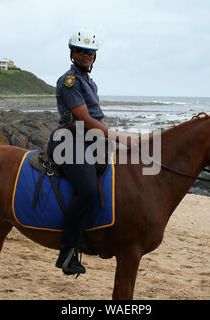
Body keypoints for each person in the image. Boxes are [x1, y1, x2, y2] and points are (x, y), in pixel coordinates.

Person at [48, 28, 137, 275]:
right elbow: (85, 119)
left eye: (90, 52)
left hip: (90, 141)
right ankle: (66, 253)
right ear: (72, 53)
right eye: (81, 51)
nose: (86, 55)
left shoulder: (89, 81)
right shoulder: (70, 81)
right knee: (87, 191)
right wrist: (118, 136)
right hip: (69, 141)